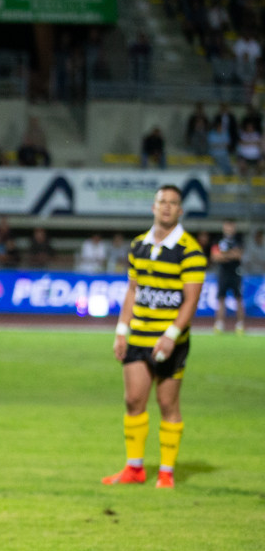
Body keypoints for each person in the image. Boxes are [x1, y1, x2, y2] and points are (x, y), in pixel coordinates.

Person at [104, 185, 207, 490]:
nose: (166, 207)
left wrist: (171, 336)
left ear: (180, 211)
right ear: (153, 207)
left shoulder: (190, 251)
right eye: (162, 201)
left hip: (169, 340)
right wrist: (121, 331)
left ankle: (165, 473)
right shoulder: (138, 245)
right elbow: (133, 291)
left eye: (173, 203)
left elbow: (191, 300)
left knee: (167, 403)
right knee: (134, 399)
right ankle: (134, 469)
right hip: (139, 336)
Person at [210, 220, 246, 334]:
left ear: (234, 227)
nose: (229, 228)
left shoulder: (239, 239)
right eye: (227, 226)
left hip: (236, 272)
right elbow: (215, 257)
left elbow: (239, 255)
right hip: (223, 273)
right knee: (221, 298)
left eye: (231, 226)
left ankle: (240, 324)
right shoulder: (217, 239)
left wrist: (224, 255)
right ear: (224, 227)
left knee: (238, 298)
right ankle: (219, 324)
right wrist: (231, 254)